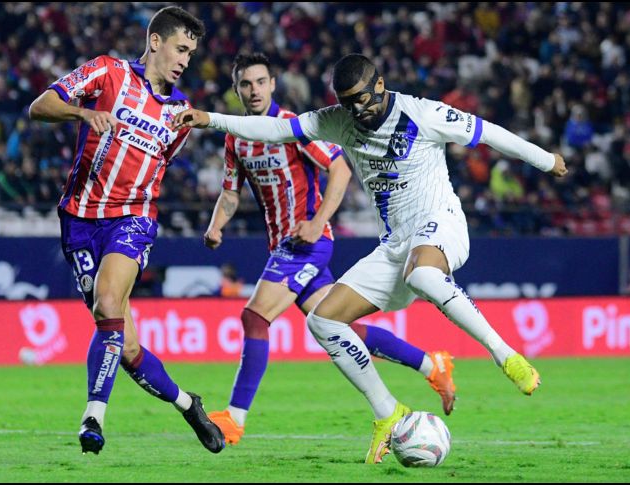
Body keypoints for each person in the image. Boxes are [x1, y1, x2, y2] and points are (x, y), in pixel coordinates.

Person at [172, 53, 568, 464]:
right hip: (394, 247)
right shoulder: (337, 120)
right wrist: (209, 119)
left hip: (440, 223)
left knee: (423, 276)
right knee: (323, 321)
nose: (357, 110)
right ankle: (388, 411)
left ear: (379, 85)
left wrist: (547, 160)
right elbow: (276, 129)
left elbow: (489, 133)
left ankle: (506, 355)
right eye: (347, 103)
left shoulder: (422, 113)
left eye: (362, 99)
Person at [204, 53, 456, 446]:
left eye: (260, 82)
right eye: (245, 84)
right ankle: (432, 365)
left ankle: (234, 419)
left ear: (273, 84)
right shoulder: (237, 138)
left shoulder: (293, 127)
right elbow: (230, 192)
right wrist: (216, 225)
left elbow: (339, 168)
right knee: (342, 327)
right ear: (236, 90)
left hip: (306, 244)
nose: (254, 90)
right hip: (283, 245)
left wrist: (317, 221)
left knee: (254, 318)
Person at [28, 6, 224, 455]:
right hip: (79, 219)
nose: (185, 60)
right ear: (155, 41)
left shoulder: (180, 113)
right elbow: (40, 106)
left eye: (191, 54)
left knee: (108, 302)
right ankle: (188, 403)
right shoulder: (107, 72)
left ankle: (93, 416)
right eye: (180, 49)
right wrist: (82, 114)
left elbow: (159, 166)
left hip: (133, 218)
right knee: (126, 345)